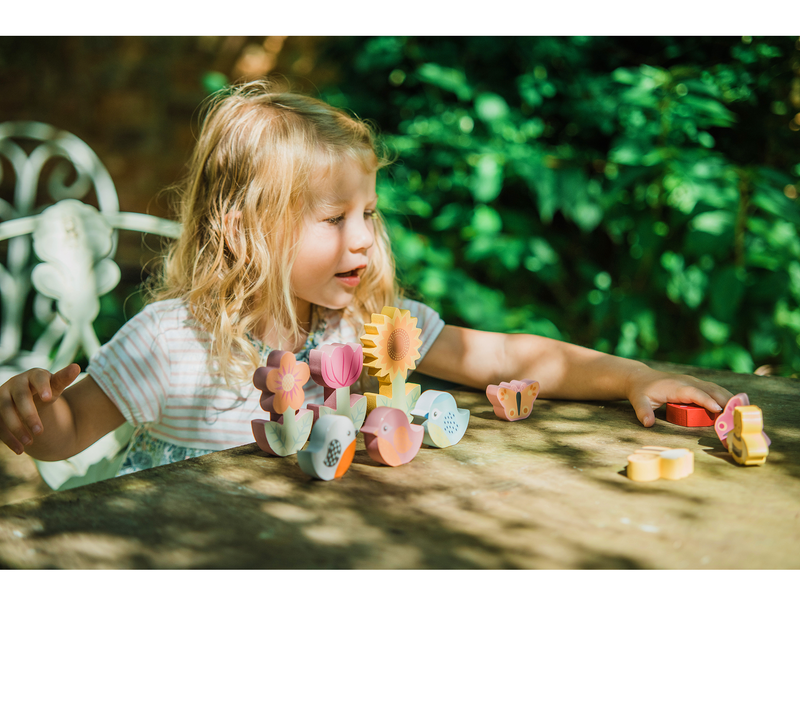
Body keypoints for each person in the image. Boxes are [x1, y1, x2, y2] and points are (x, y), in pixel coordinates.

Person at [0, 81, 731, 474]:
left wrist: (632, 375)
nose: (363, 239)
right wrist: (24, 409)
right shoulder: (170, 341)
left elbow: (508, 356)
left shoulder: (365, 326)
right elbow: (62, 437)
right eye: (332, 219)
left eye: (369, 213)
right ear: (242, 227)